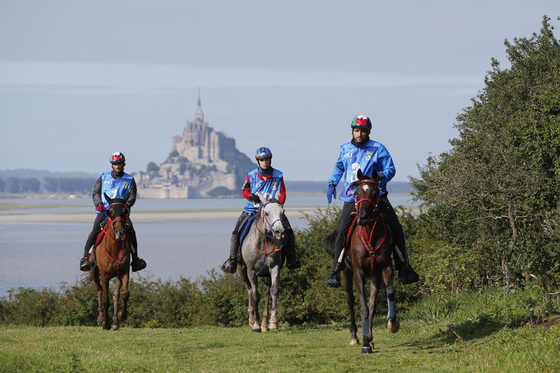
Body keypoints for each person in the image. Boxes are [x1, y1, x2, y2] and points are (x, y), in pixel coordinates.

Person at [325, 115, 419, 287]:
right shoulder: (344, 149)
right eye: (356, 130)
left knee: (396, 228)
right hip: (352, 197)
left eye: (363, 131)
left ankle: (404, 268)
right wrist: (332, 182)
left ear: (368, 132)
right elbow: (339, 166)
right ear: (352, 131)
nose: (359, 134)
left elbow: (391, 168)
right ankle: (335, 271)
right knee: (341, 232)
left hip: (376, 196)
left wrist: (382, 176)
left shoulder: (378, 148)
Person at [221, 147, 301, 273]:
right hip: (252, 209)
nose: (264, 162)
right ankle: (232, 259)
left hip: (272, 210)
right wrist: (251, 196)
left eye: (267, 159)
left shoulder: (278, 175)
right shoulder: (251, 175)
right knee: (236, 231)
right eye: (262, 160)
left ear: (270, 160)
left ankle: (292, 258)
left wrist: (277, 205)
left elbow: (283, 193)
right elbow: (244, 191)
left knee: (289, 231)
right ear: (258, 161)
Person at [79, 152, 147, 272]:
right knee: (95, 231)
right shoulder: (103, 177)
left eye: (119, 163)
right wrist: (98, 204)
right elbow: (96, 192)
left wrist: (127, 205)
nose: (117, 166)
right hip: (105, 211)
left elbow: (132, 196)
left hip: (121, 214)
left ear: (123, 164)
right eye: (115, 164)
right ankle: (85, 258)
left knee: (131, 231)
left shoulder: (129, 179)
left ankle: (135, 260)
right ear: (112, 165)